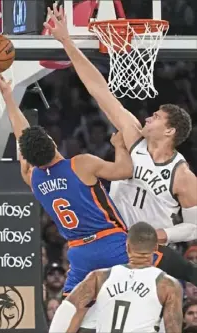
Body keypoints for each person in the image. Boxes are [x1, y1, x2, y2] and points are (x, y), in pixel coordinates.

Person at [44, 3, 197, 283]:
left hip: (145, 253)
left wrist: (161, 235)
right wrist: (66, 41)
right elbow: (99, 89)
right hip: (111, 241)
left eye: (156, 117)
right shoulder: (133, 136)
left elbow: (193, 229)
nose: (148, 118)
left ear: (170, 131)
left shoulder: (183, 175)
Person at [0, 73, 133, 295]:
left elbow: (23, 136)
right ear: (52, 141)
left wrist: (8, 98)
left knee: (72, 313)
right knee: (159, 280)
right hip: (110, 242)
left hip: (78, 252)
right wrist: (120, 146)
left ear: (27, 157)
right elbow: (126, 170)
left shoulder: (32, 177)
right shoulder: (81, 164)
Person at [49, 222, 183, 333]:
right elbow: (172, 328)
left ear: (127, 247)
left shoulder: (100, 277)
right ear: (155, 248)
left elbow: (68, 309)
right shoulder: (167, 285)